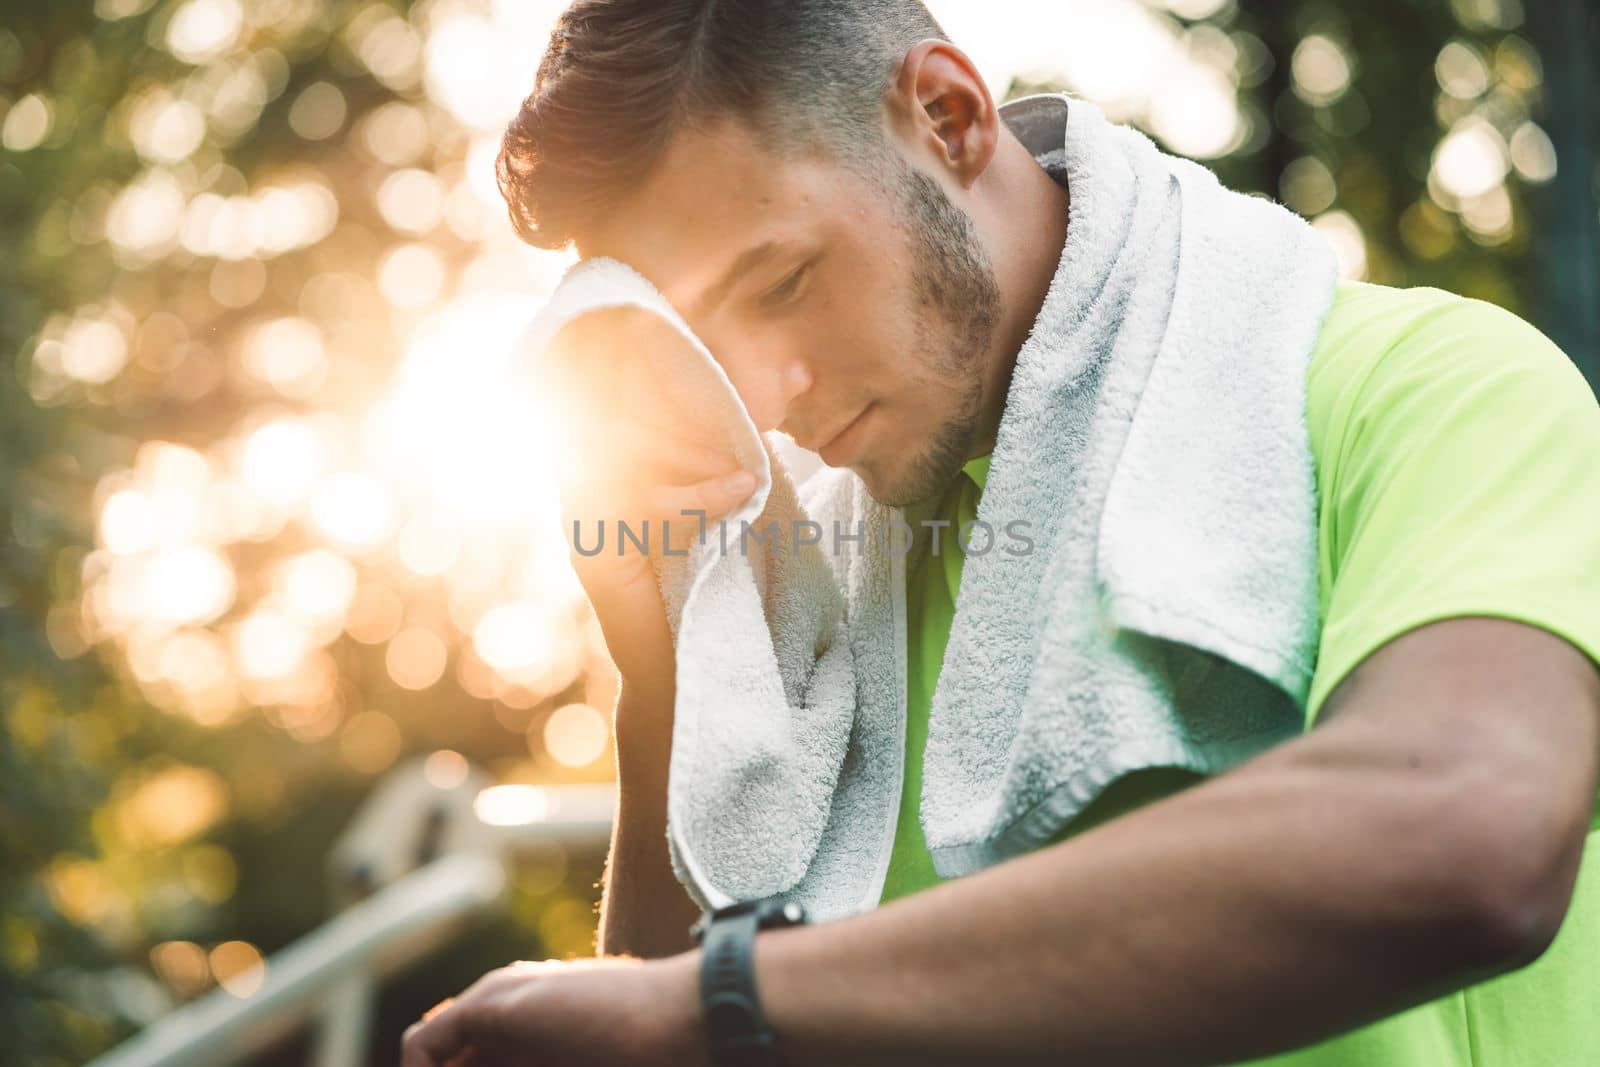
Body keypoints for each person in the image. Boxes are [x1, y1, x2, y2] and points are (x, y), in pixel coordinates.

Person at [401, 2, 1600, 1065]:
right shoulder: (800, 591)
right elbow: (654, 1030)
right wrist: (662, 672)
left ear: (949, 113)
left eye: (780, 284)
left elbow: (1466, 831)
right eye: (707, 343)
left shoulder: (1428, 389)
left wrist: (721, 1002)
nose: (765, 396)